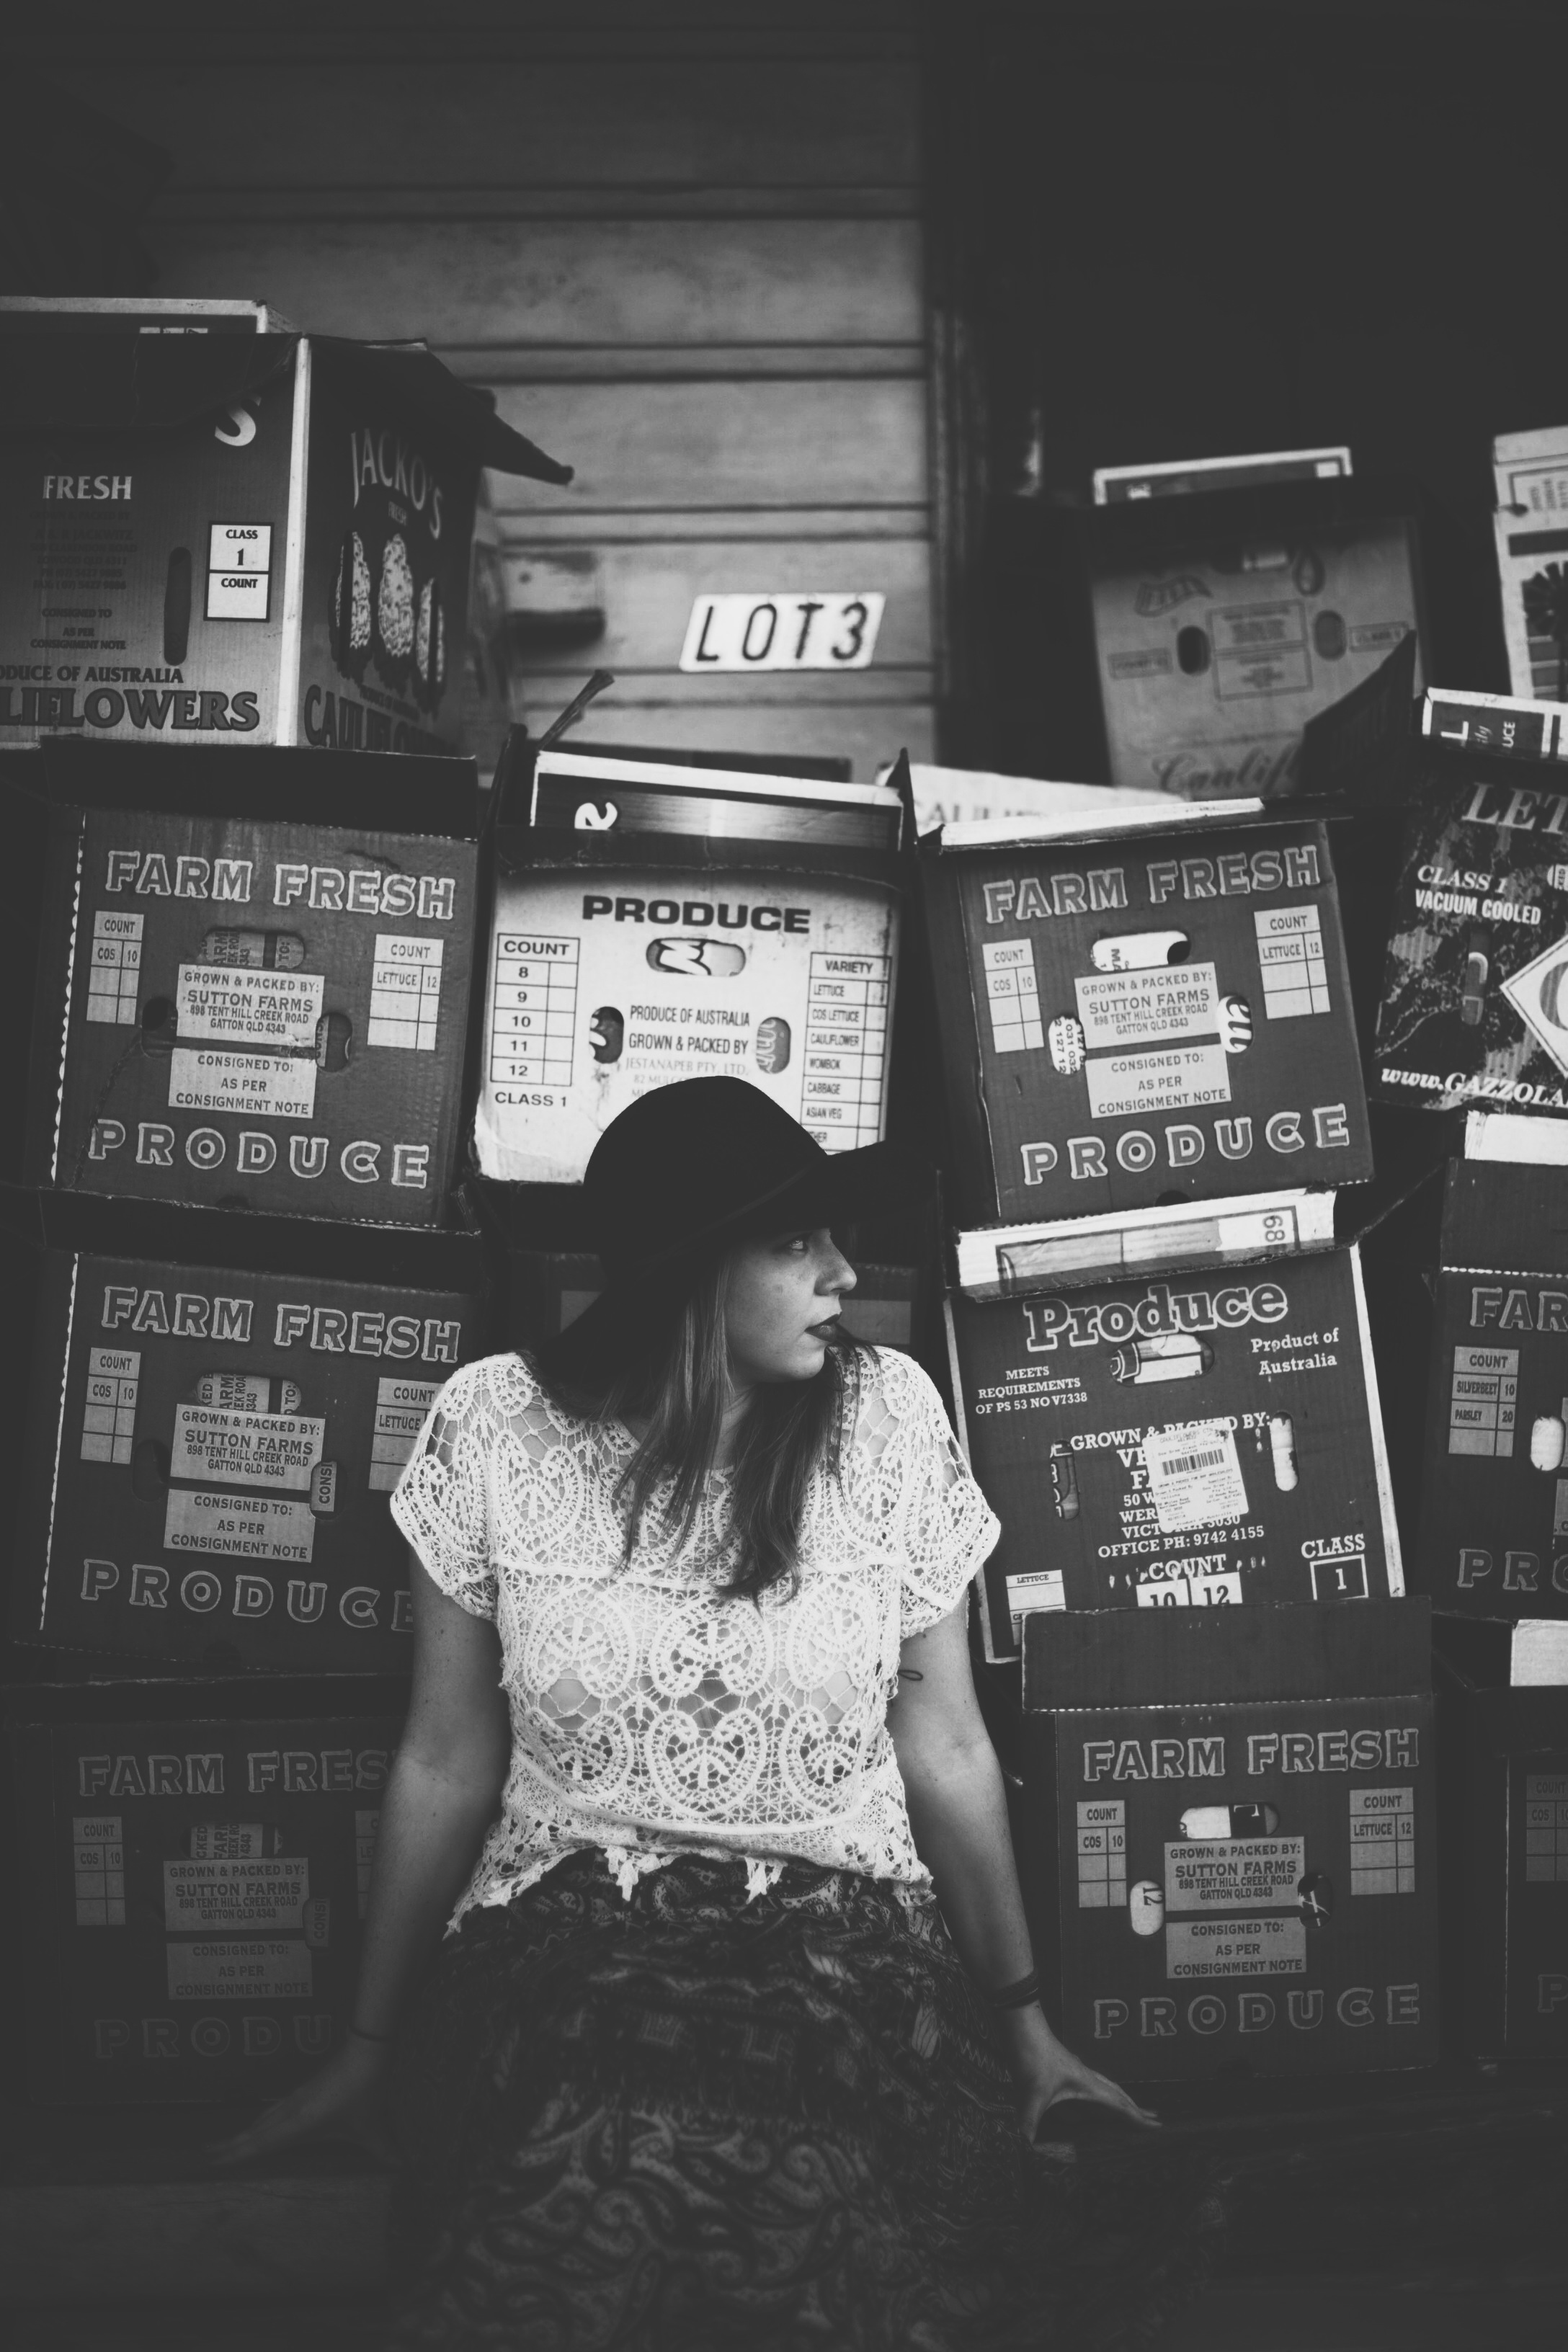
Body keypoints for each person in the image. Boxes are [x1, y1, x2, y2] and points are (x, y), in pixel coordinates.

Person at [215, 1079, 1223, 2348]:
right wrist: (368, 2046)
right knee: (599, 2073)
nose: (845, 1272)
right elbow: (443, 1756)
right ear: (689, 1270)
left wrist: (1026, 2029)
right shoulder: (491, 1429)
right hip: (559, 1934)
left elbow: (949, 1740)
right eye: (796, 1240)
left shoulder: (888, 1419)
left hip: (838, 1940)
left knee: (789, 2076)